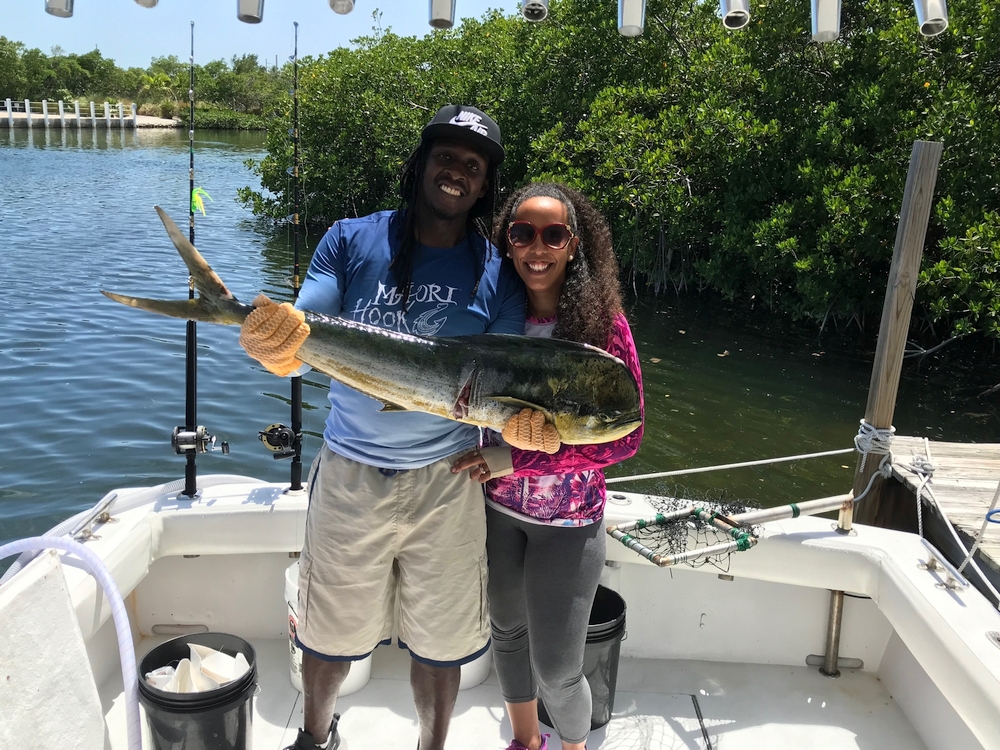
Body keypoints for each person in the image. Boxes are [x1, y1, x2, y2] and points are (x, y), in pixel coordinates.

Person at [238, 104, 527, 750]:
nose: (456, 171)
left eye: (472, 166)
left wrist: (518, 444)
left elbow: (504, 379)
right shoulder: (350, 239)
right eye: (445, 156)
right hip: (350, 473)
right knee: (327, 635)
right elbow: (308, 326)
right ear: (420, 164)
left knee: (443, 645)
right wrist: (277, 343)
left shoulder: (499, 273)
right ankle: (316, 736)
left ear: (484, 188)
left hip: (448, 482)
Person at [452, 182, 645, 750]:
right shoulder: (490, 319)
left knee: (559, 668)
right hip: (496, 511)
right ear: (506, 242)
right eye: (522, 233)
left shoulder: (604, 330)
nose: (538, 248)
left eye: (553, 234)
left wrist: (517, 456)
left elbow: (626, 438)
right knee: (507, 635)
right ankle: (524, 741)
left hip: (570, 524)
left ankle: (573, 745)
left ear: (573, 244)